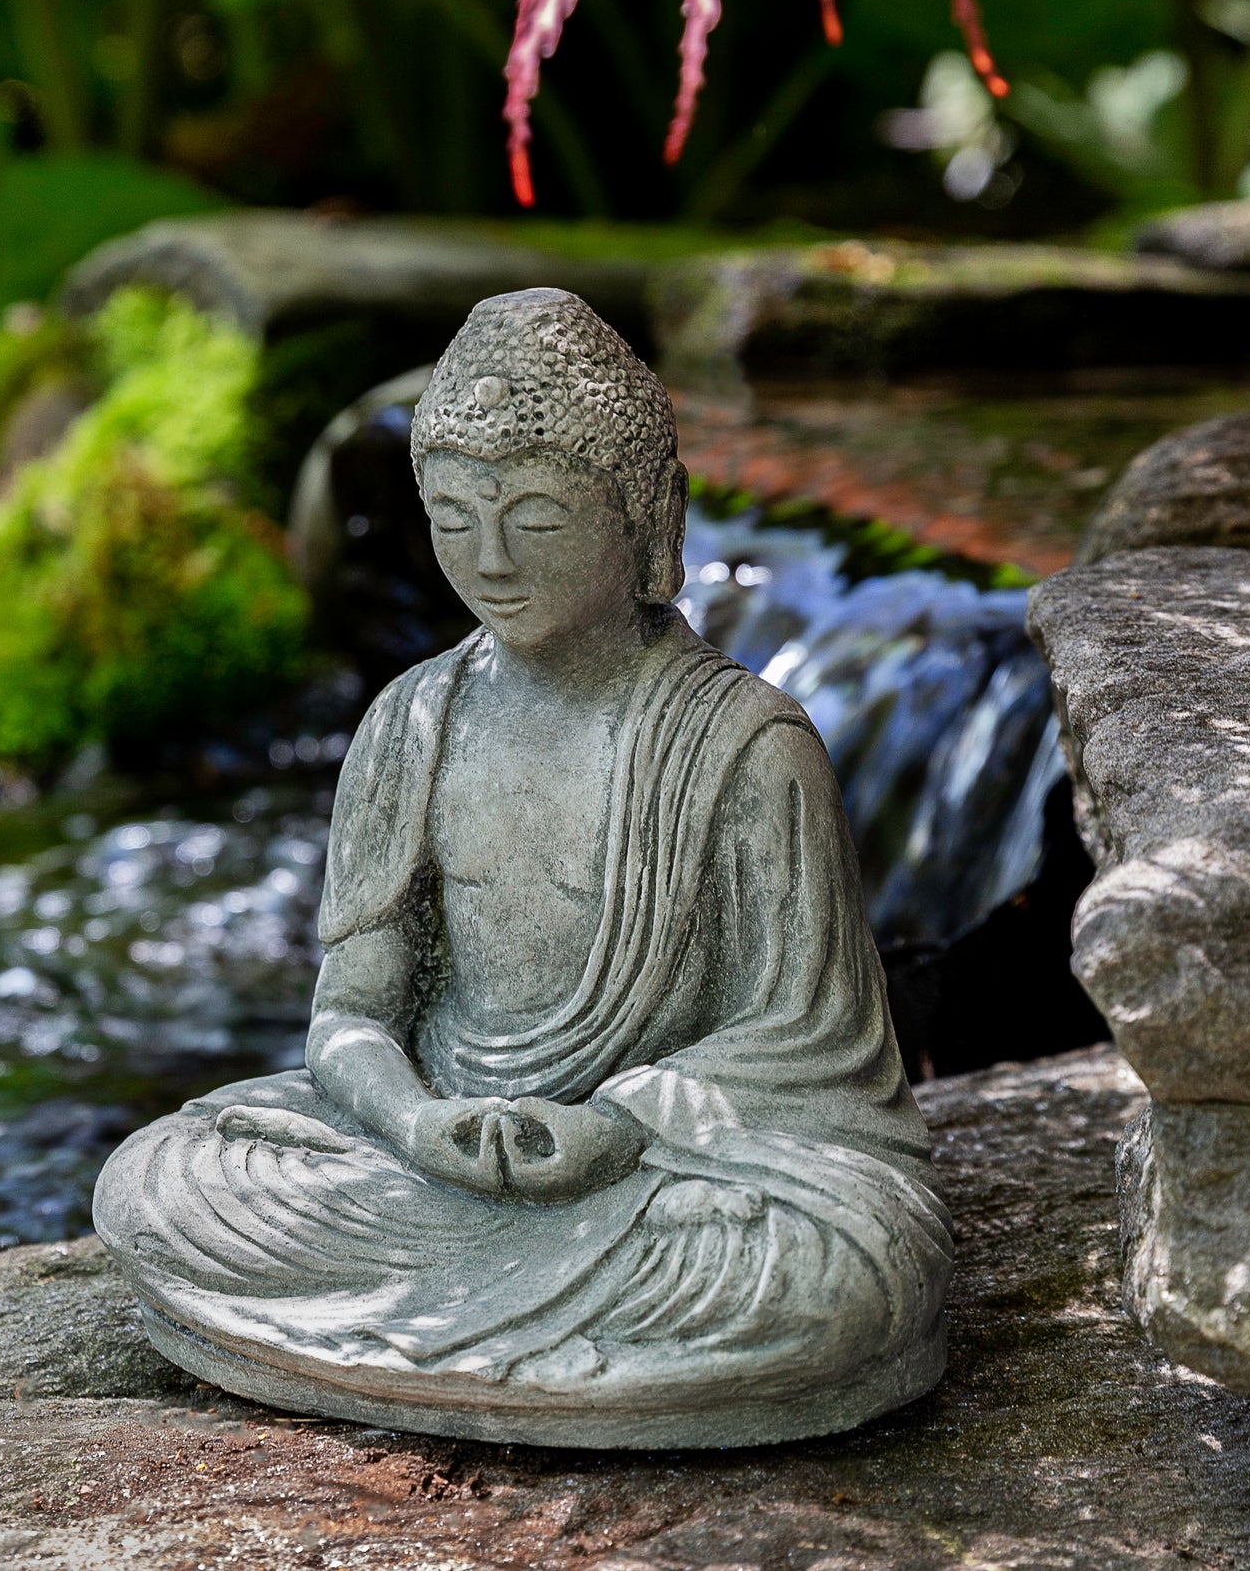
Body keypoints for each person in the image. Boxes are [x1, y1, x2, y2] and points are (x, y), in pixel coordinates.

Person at [93, 288, 952, 1447]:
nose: (488, 561)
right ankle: (522, 1346)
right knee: (164, 1180)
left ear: (644, 516)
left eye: (536, 520)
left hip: (652, 1174)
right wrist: (410, 1122)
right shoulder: (413, 722)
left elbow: (817, 1051)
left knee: (839, 1264)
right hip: (426, 1153)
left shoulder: (745, 745)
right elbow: (351, 1015)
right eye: (453, 519)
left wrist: (616, 1122)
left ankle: (429, 1335)